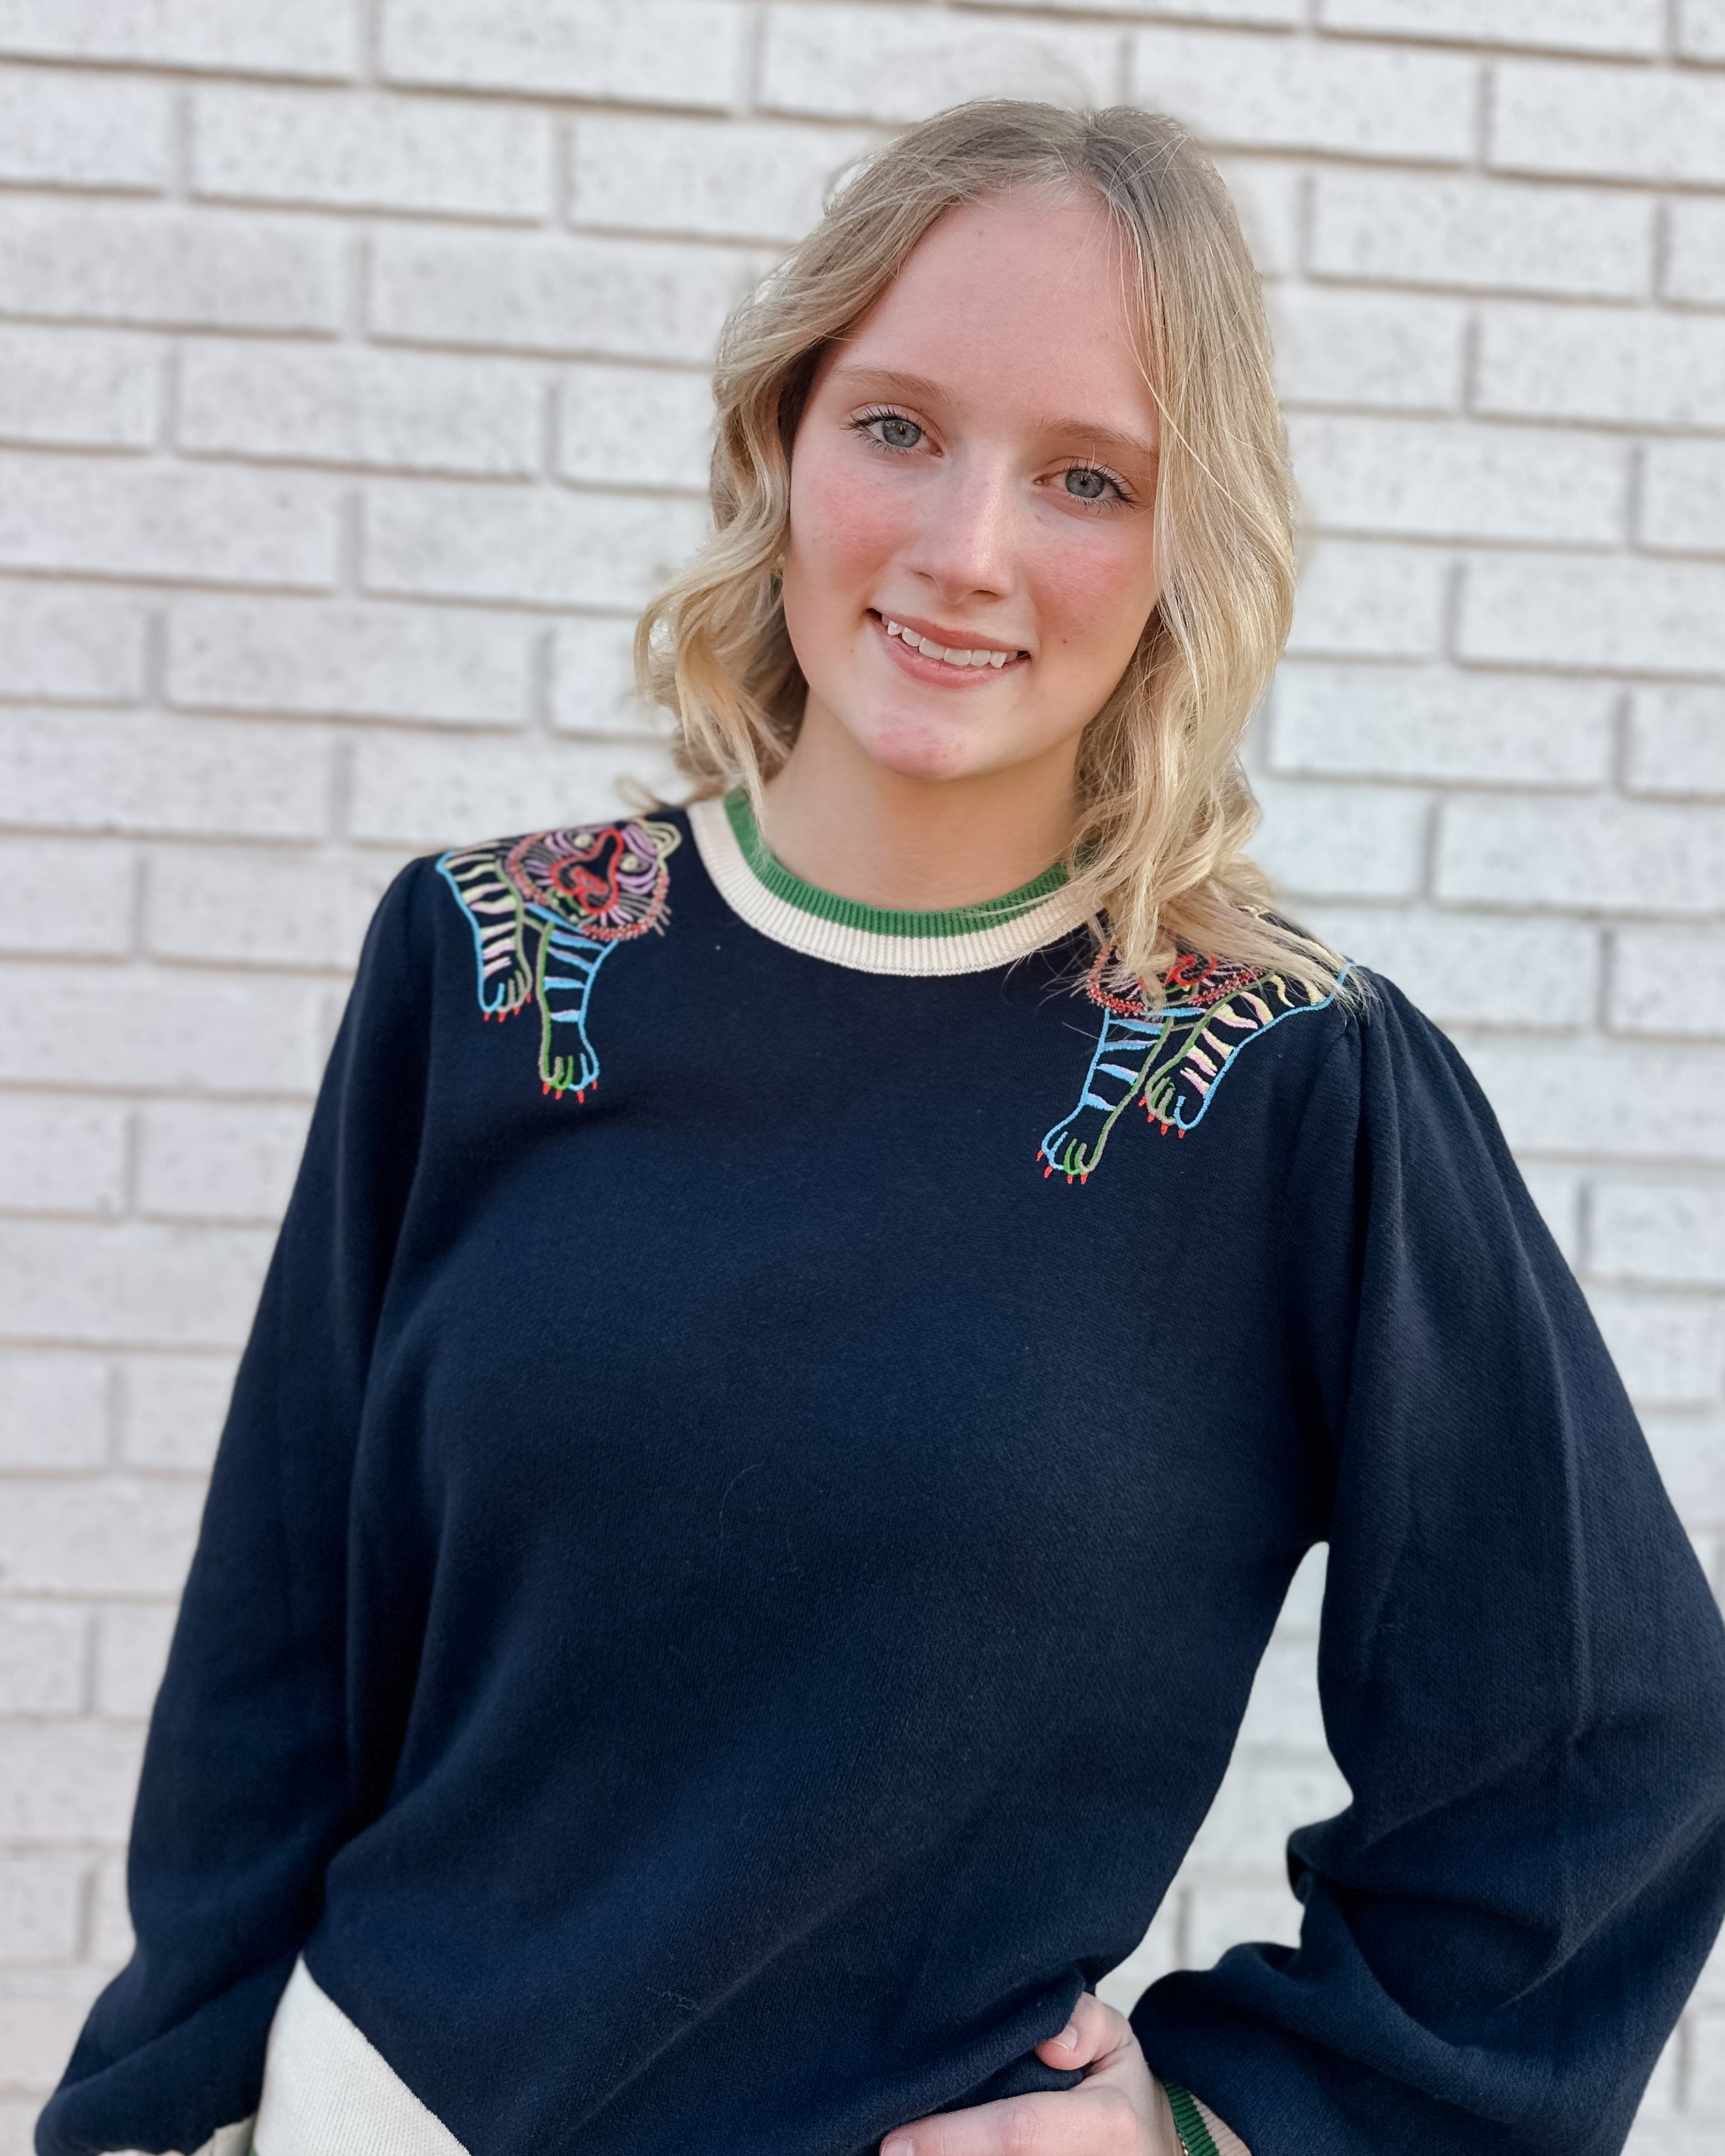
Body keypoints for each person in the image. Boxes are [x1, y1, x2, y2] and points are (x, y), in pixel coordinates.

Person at [37, 100, 1725, 2156]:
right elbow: (276, 1649)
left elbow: (1607, 1747)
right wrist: (150, 2112)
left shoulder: (1294, 1091)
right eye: (900, 428)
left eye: (1087, 477)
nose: (965, 549)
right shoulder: (487, 959)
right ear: (785, 437)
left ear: (1183, 549)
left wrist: (1225, 2125)